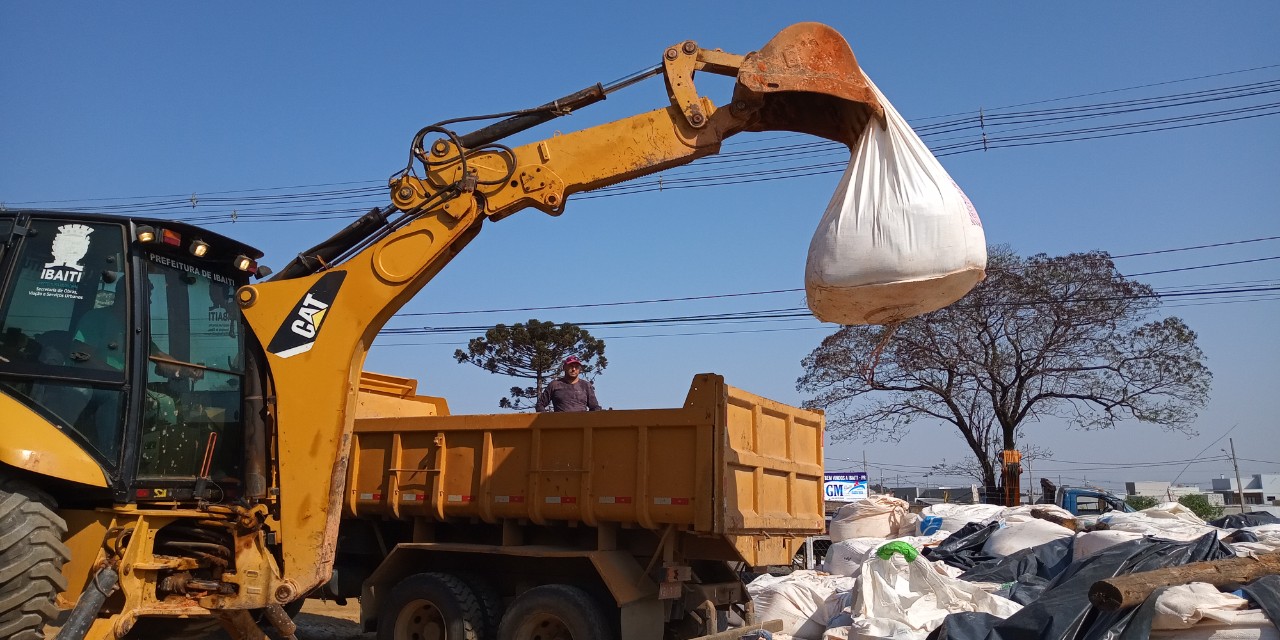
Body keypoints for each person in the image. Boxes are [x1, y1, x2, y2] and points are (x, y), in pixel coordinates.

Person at [535, 355, 601, 412]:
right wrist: (547, 420)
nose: (574, 369)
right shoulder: (554, 385)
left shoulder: (586, 385)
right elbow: (540, 405)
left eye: (576, 367)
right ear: (564, 367)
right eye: (571, 366)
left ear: (580, 369)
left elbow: (595, 407)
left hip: (582, 424)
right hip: (560, 425)